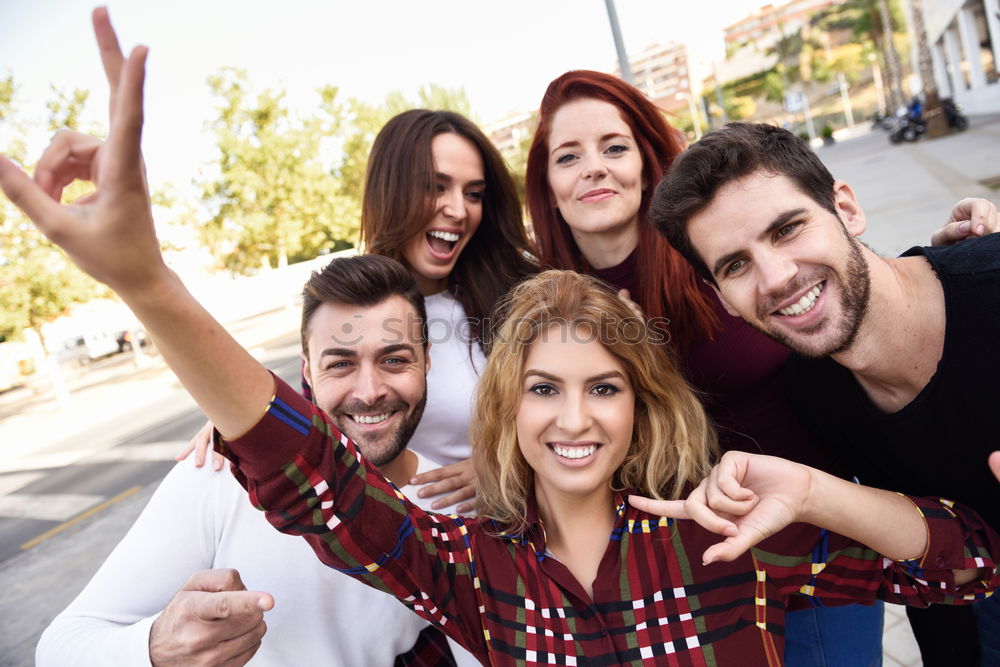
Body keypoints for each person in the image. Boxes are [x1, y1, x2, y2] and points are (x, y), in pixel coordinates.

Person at [4, 13, 996, 665]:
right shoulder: (474, 574)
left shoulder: (726, 543)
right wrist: (147, 283)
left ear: (640, 402)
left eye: (603, 388)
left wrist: (814, 494)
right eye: (541, 390)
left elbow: (968, 561)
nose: (571, 417)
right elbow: (312, 473)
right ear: (500, 409)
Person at [522, 69, 998, 665]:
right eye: (568, 156)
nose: (773, 277)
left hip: (825, 546)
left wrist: (961, 267)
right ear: (546, 183)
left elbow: (865, 305)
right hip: (700, 564)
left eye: (614, 146)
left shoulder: (725, 265)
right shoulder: (555, 307)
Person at [651, 120, 1000, 665]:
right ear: (722, 298)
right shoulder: (813, 392)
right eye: (735, 265)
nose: (775, 276)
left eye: (787, 228)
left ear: (847, 209)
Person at [36, 254, 477, 666]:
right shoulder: (217, 474)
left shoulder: (453, 506)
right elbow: (62, 645)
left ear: (427, 362)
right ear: (307, 372)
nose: (368, 391)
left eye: (394, 359)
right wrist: (155, 647)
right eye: (340, 365)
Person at [183, 106, 538, 514]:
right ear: (391, 190)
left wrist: (506, 466)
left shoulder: (521, 299)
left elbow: (580, 411)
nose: (458, 209)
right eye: (436, 187)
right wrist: (244, 421)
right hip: (402, 548)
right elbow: (318, 408)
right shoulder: (342, 307)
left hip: (520, 536)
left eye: (473, 194)